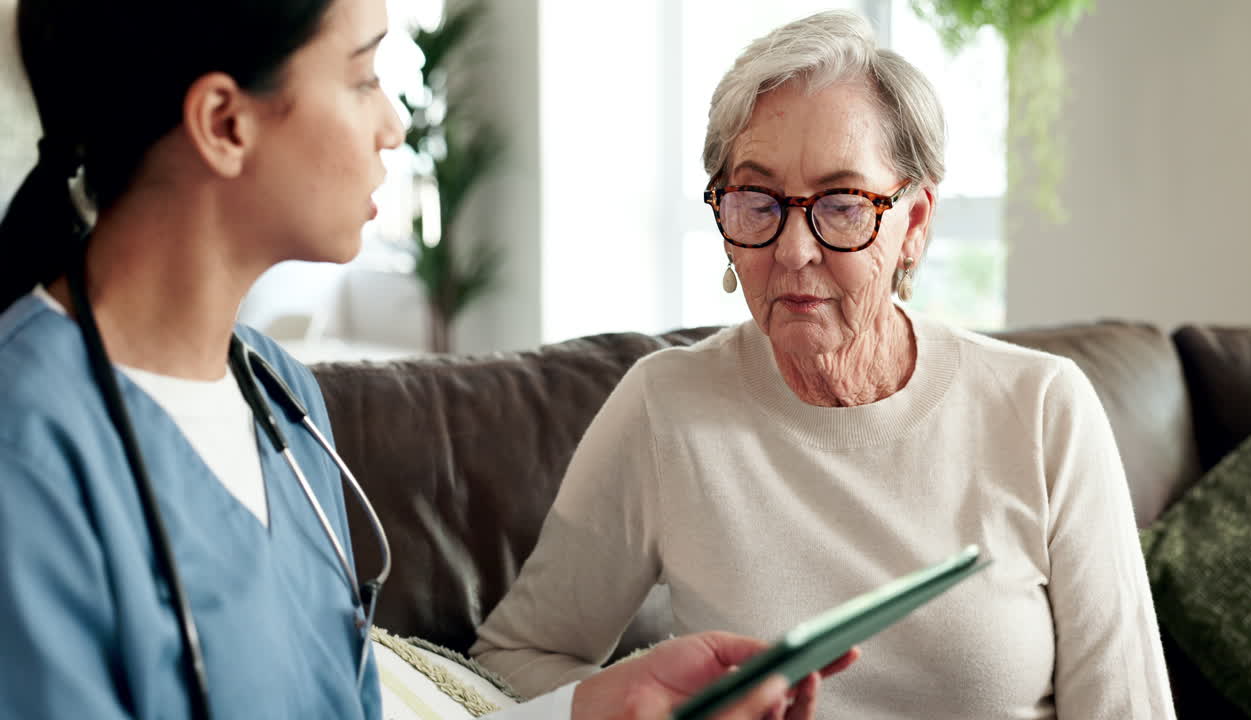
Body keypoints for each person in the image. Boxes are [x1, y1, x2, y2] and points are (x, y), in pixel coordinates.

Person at [0, 0, 856, 718]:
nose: (394, 122)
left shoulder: (278, 397)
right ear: (226, 123)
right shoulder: (27, 450)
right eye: (364, 77)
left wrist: (592, 709)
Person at [472, 9, 1176, 720]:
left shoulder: (1044, 409)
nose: (794, 249)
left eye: (842, 205)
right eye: (757, 200)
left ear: (916, 224)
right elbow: (513, 662)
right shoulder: (666, 407)